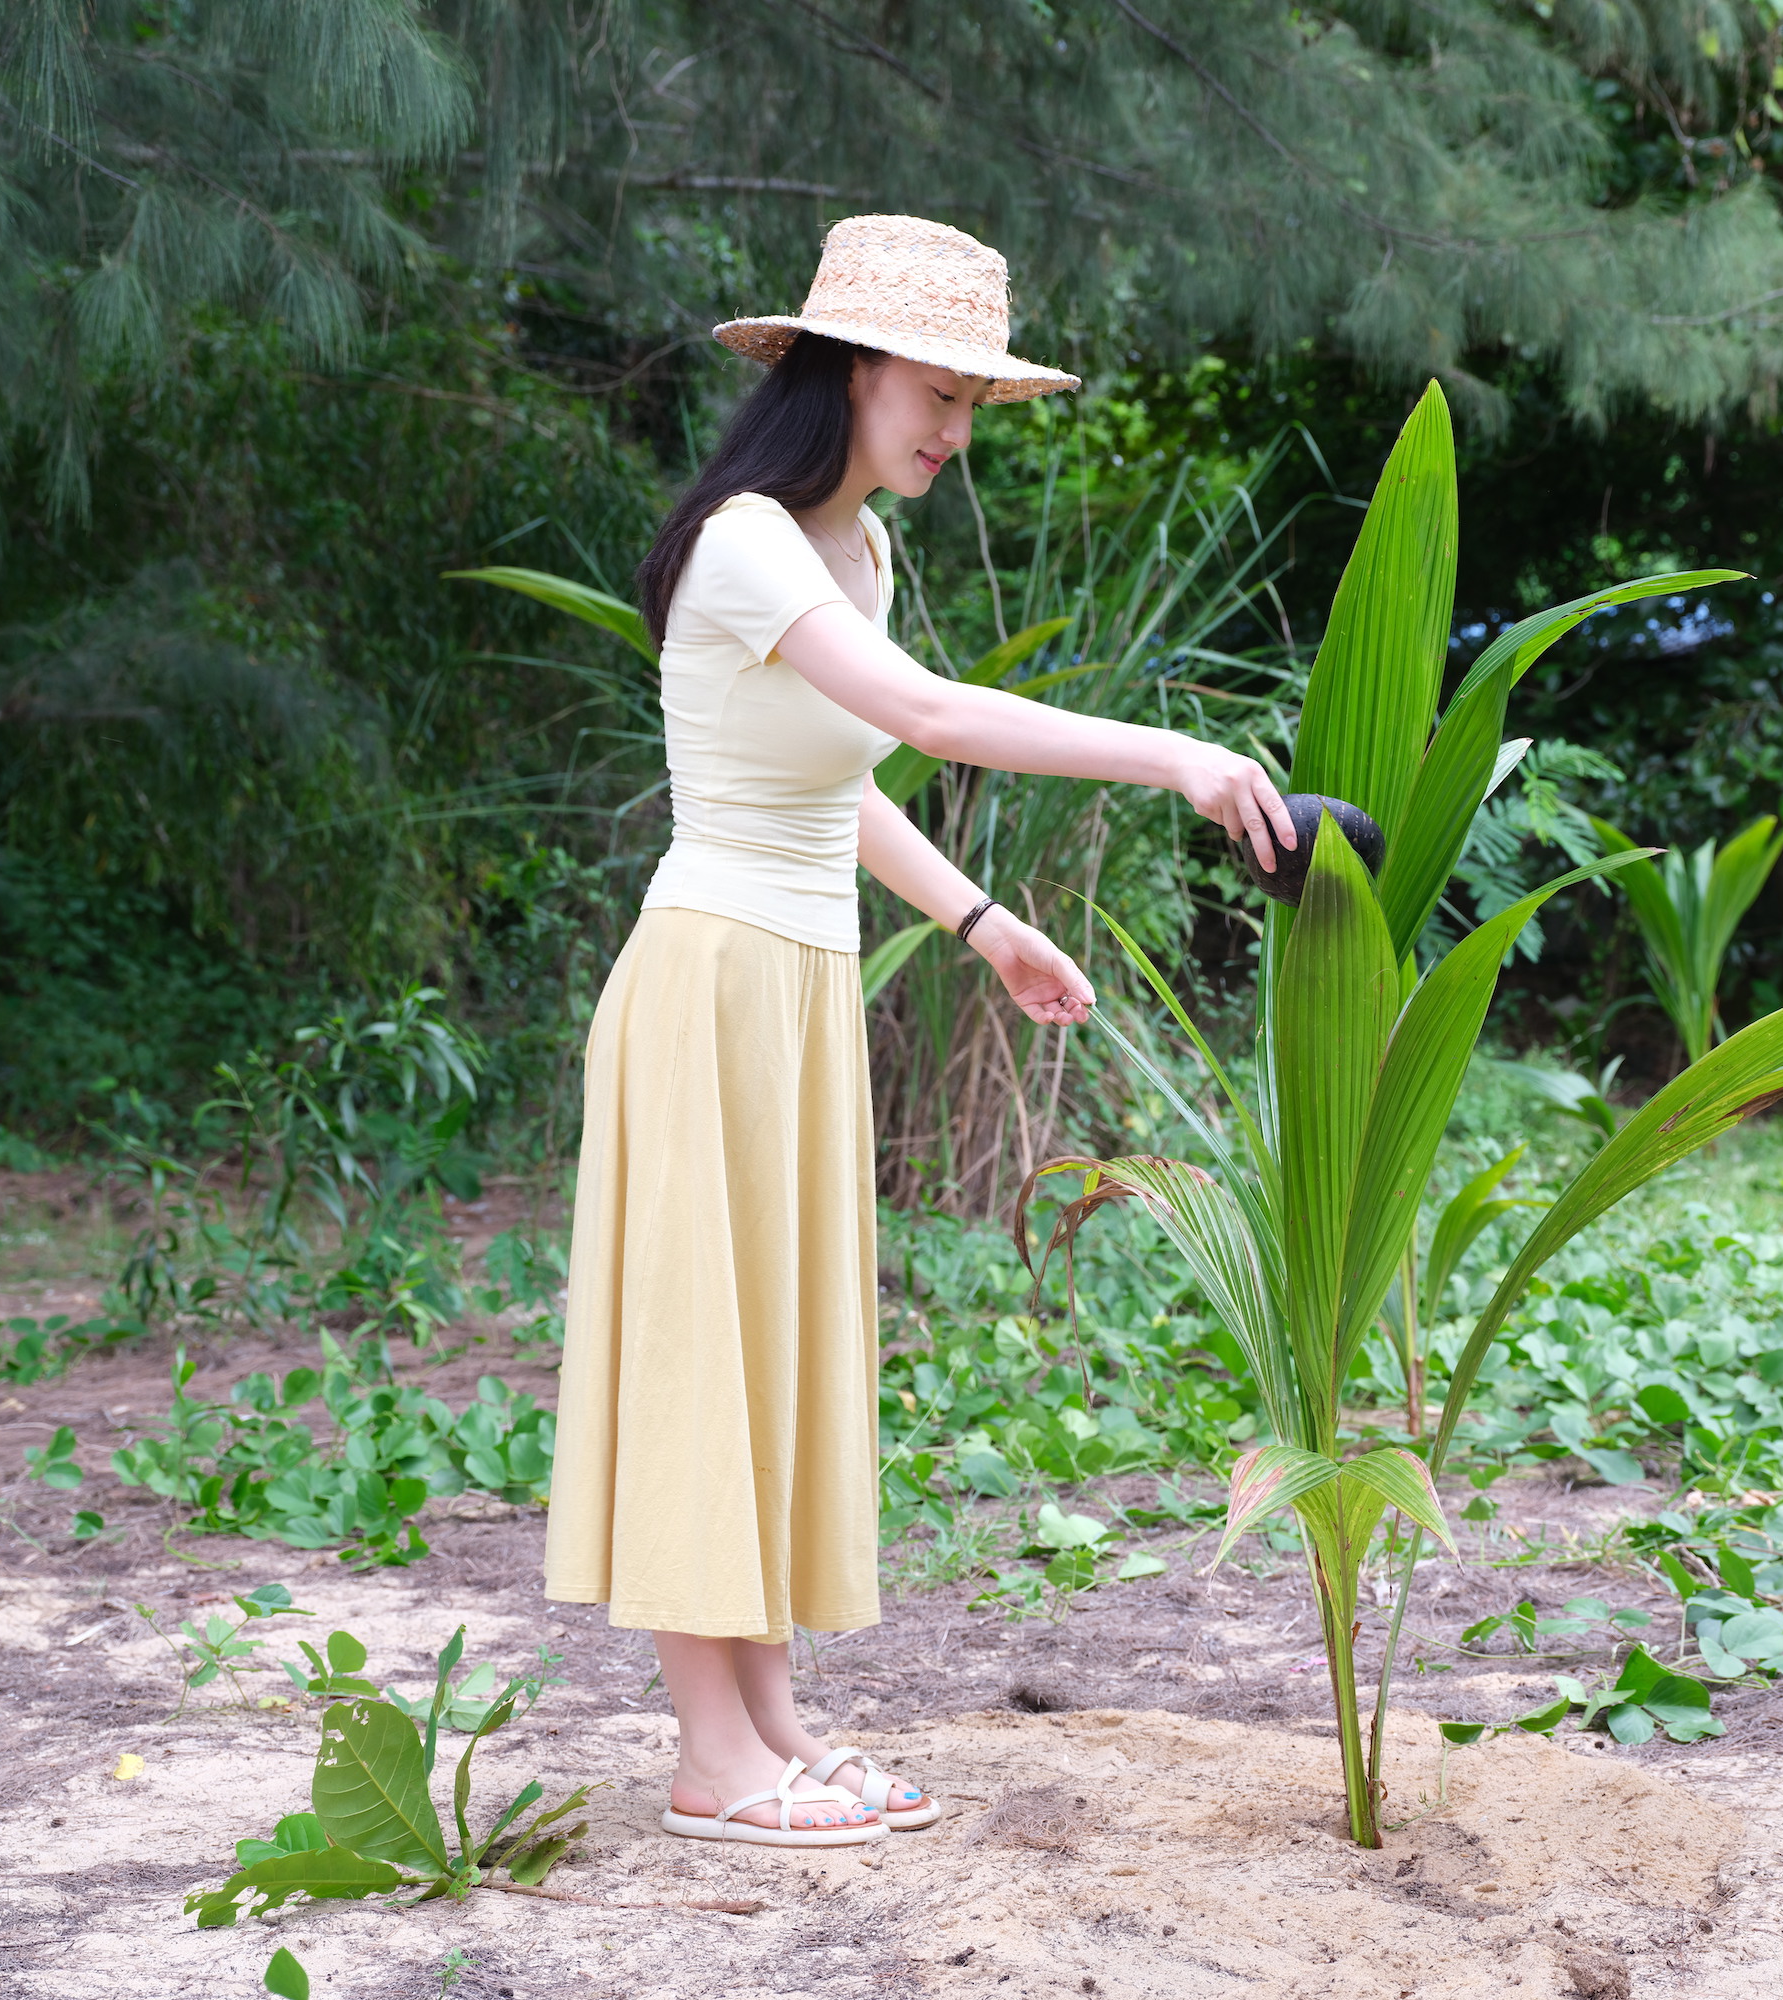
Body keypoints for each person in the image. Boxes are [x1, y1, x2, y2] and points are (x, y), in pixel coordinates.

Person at [542, 215, 1295, 1848]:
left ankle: (773, 1728)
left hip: (802, 987)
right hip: (710, 982)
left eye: (974, 401)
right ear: (847, 373)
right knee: (704, 1358)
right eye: (938, 392)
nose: (957, 427)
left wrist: (982, 923)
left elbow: (846, 777)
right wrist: (1173, 755)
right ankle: (710, 1760)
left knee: (776, 1357)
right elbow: (931, 718)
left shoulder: (859, 552)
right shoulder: (745, 540)